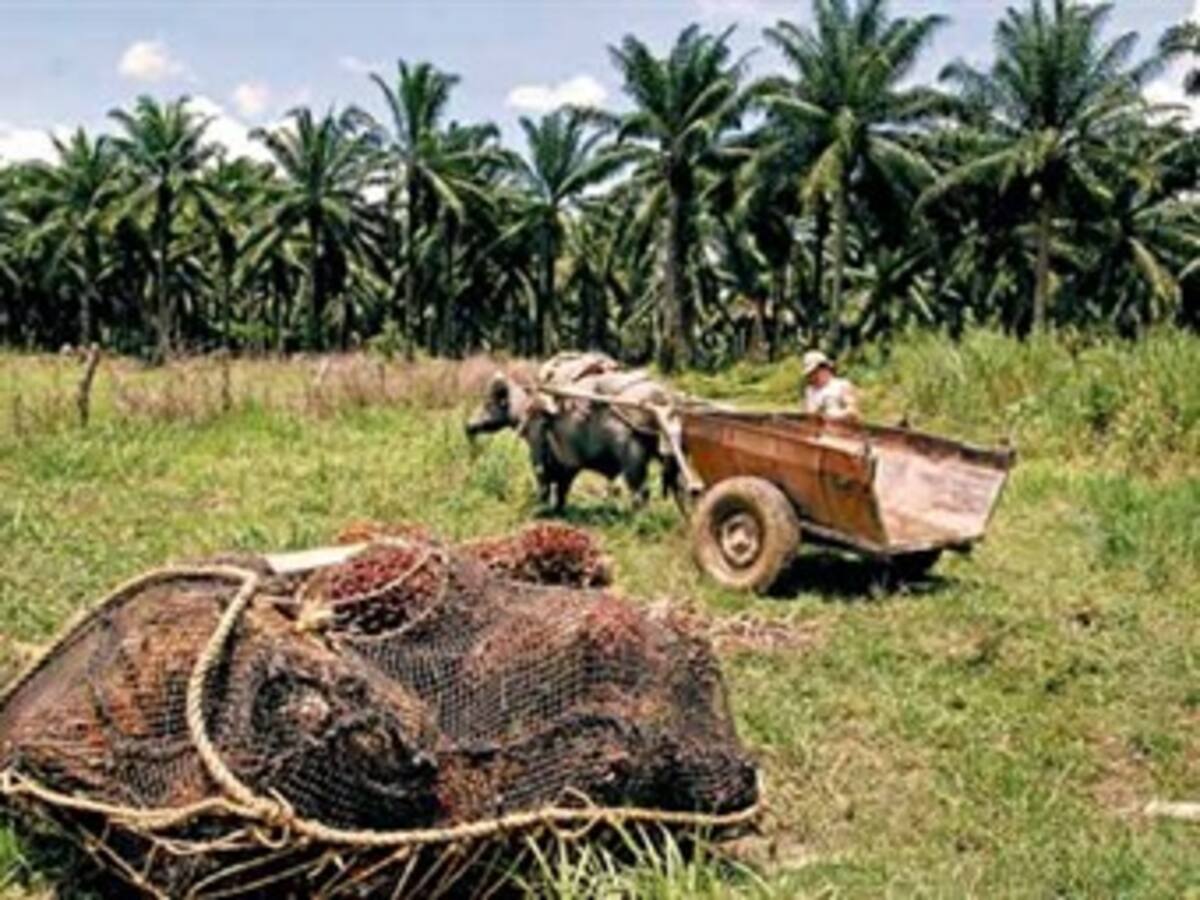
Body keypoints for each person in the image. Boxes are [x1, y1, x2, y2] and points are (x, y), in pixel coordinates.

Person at [802, 350, 860, 421]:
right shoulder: (810, 390)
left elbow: (853, 412)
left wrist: (834, 415)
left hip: (840, 428)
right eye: (811, 374)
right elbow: (809, 414)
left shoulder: (842, 385)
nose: (813, 377)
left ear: (825, 368)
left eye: (815, 372)